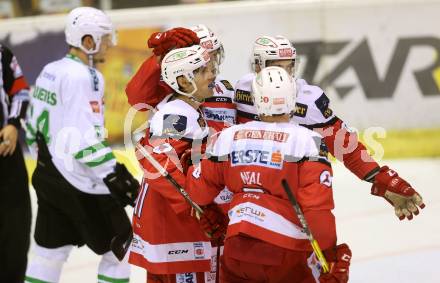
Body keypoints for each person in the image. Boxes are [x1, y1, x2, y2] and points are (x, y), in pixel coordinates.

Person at [186, 66, 353, 283]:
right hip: (286, 253)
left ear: (256, 99)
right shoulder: (307, 141)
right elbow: (317, 210)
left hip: (236, 251)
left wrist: (191, 163)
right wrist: (329, 257)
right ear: (293, 98)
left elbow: (198, 193)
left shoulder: (228, 137)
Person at [234, 35, 425, 221]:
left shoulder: (308, 100)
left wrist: (382, 180)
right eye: (277, 68)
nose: (284, 76)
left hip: (289, 199)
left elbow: (346, 146)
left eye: (289, 67)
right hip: (247, 198)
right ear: (258, 66)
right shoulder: (241, 91)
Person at [24, 7, 139, 283]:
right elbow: (83, 141)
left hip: (47, 175)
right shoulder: (85, 77)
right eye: (105, 38)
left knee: (48, 254)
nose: (110, 44)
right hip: (80, 182)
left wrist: (49, 166)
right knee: (122, 250)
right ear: (88, 41)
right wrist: (114, 174)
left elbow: (30, 128)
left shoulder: (50, 70)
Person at [129, 45, 218, 282]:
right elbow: (157, 164)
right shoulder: (176, 115)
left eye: (210, 68)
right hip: (170, 223)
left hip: (167, 219)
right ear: (184, 81)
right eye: (202, 71)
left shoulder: (185, 108)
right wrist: (197, 208)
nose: (212, 75)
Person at [125, 24, 236, 132]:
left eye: (214, 55)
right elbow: (138, 100)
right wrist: (159, 57)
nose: (211, 64)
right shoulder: (175, 85)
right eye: (205, 58)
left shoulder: (225, 87)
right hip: (180, 148)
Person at [0, 44, 32, 283]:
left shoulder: (2, 53)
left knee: (16, 231)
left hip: (6, 154)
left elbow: (20, 91)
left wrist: (13, 123)